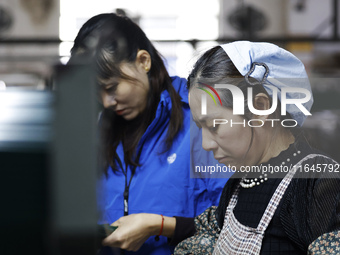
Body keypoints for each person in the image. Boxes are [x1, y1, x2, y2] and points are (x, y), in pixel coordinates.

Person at [68, 13, 226, 255]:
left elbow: (237, 222)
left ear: (143, 61)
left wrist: (159, 226)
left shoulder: (201, 119)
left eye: (111, 87)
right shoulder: (102, 127)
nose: (106, 102)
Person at [175, 41, 340, 254]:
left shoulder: (317, 184)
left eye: (214, 126)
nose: (206, 144)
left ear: (260, 108)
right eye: (201, 128)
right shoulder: (241, 181)